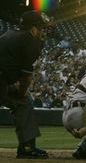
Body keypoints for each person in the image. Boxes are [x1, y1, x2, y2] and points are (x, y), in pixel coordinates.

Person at [0, 10, 50, 159]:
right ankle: (27, 148)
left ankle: (28, 147)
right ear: (33, 28)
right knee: (24, 101)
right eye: (41, 28)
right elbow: (26, 78)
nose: (42, 32)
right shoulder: (30, 40)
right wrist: (21, 93)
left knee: (22, 101)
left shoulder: (9, 34)